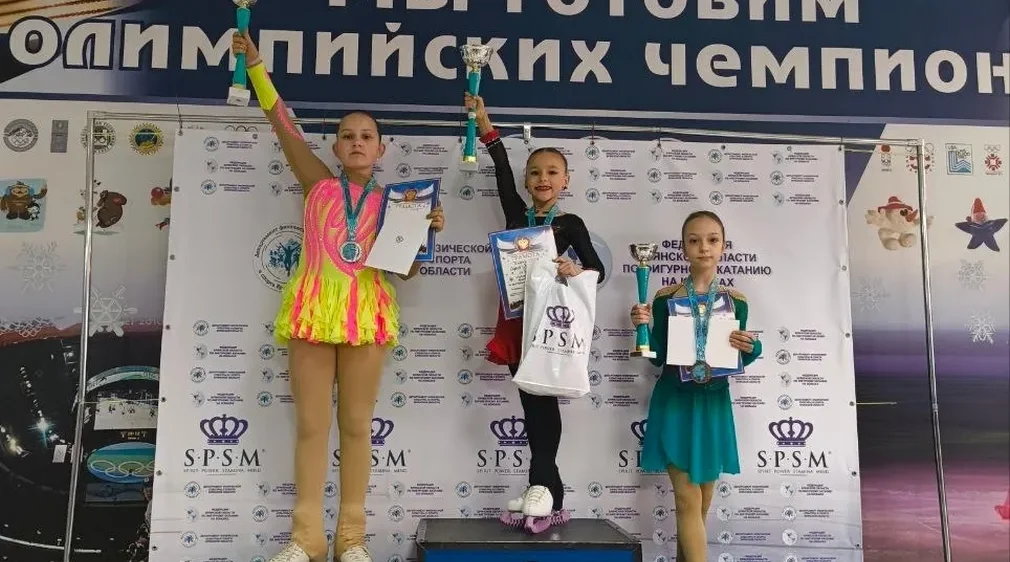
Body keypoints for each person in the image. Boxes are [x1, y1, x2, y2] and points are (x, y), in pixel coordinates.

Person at [232, 32, 446, 562]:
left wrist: (423, 234)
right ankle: (306, 537)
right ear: (333, 147)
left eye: (366, 136)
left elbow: (407, 273)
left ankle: (351, 538)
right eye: (347, 135)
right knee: (311, 426)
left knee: (355, 427)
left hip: (365, 314)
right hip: (313, 310)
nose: (356, 142)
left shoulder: (399, 204)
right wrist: (256, 67)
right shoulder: (319, 184)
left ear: (381, 149)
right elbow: (282, 123)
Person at [465, 92, 606, 534]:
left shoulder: (571, 223)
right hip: (515, 323)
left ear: (566, 180)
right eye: (535, 172)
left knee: (544, 404)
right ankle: (545, 491)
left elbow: (598, 272)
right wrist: (485, 125)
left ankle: (541, 485)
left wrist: (575, 268)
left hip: (549, 326)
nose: (543, 178)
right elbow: (500, 169)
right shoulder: (516, 214)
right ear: (527, 181)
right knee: (530, 404)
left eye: (552, 172)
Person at [629, 210, 762, 562]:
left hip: (714, 406)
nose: (704, 247)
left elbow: (737, 356)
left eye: (712, 240)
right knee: (688, 501)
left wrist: (753, 347)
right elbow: (657, 357)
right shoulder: (665, 298)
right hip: (675, 404)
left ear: (723, 246)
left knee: (700, 505)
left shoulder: (737, 301)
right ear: (683, 248)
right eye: (694, 240)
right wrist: (642, 328)